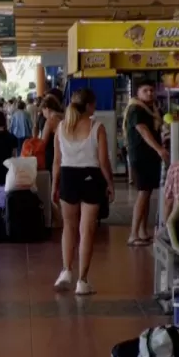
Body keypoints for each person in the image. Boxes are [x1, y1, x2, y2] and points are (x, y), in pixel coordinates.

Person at [52, 89, 113, 296]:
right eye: (93, 105)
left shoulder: (61, 127)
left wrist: (54, 185)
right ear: (88, 106)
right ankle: (82, 281)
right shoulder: (97, 127)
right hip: (91, 177)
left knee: (68, 227)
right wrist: (110, 183)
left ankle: (66, 270)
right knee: (86, 230)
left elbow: (57, 162)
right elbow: (103, 162)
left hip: (68, 177)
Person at [124, 79, 169, 246]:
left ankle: (142, 231)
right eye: (145, 90)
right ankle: (133, 233)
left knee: (147, 192)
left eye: (151, 90)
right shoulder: (136, 109)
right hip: (141, 156)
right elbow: (142, 130)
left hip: (149, 157)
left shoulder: (151, 109)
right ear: (138, 93)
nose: (149, 93)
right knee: (143, 193)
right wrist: (159, 148)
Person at [40, 96, 65, 172]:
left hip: (52, 156)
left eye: (43, 111)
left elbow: (43, 142)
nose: (43, 114)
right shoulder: (64, 117)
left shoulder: (50, 121)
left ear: (47, 109)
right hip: (65, 155)